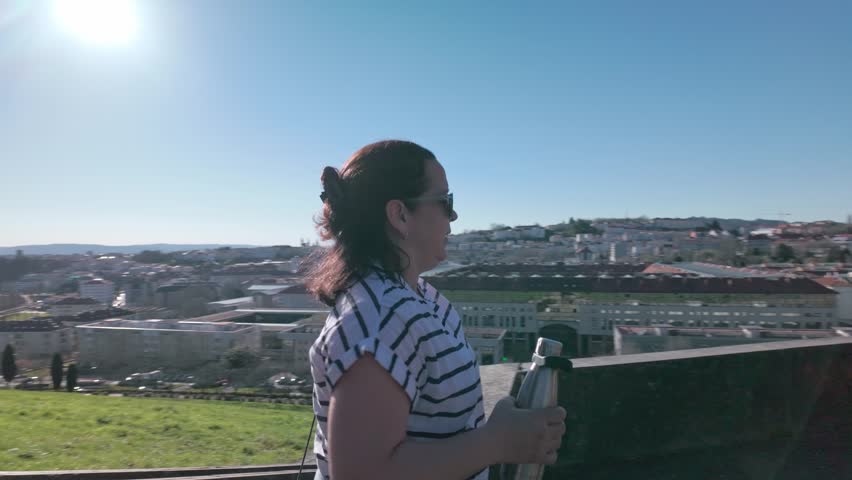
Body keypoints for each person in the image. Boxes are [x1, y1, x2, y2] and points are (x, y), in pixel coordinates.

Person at [306, 140, 566, 480]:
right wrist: (497, 442)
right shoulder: (379, 319)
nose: (454, 215)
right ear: (400, 215)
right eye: (445, 201)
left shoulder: (412, 297)